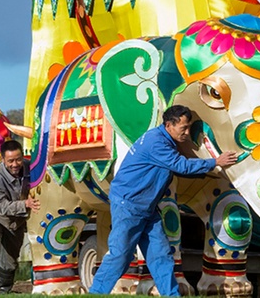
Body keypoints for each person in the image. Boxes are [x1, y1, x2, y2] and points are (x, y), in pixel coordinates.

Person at [89, 105, 239, 296]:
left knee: (161, 255)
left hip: (147, 208)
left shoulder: (163, 139)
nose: (186, 133)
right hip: (129, 205)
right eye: (183, 128)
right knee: (121, 255)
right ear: (169, 125)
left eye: (188, 128)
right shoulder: (156, 143)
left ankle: (171, 295)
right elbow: (181, 166)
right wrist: (215, 162)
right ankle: (96, 292)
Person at [0, 140, 41, 294]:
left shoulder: (30, 167)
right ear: (3, 160)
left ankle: (4, 291)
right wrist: (25, 204)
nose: (15, 164)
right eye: (11, 161)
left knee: (11, 258)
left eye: (18, 159)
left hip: (17, 219)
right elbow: (0, 207)